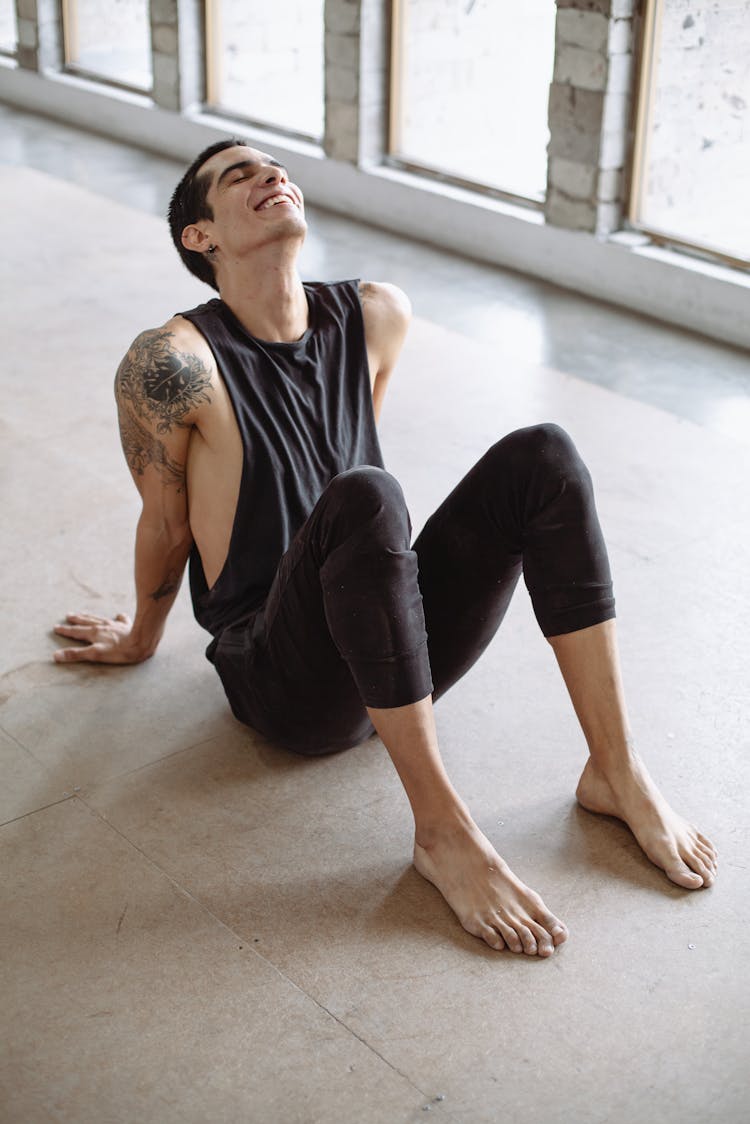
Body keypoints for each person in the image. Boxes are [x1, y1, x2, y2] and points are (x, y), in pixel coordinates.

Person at [53, 139, 717, 957]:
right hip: (282, 675)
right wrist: (138, 641)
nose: (272, 176)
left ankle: (615, 769)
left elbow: (351, 436)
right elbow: (167, 523)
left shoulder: (375, 312)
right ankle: (441, 830)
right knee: (370, 495)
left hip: (392, 642)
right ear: (201, 236)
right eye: (239, 176)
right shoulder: (172, 362)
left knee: (543, 454)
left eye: (277, 168)